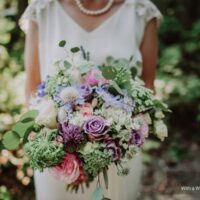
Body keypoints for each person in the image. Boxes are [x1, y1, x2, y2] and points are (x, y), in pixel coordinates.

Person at [19, 0, 162, 199]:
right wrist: (57, 142)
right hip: (58, 156)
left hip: (118, 155)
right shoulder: (43, 9)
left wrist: (117, 135)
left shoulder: (140, 11)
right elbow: (32, 89)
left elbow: (148, 87)